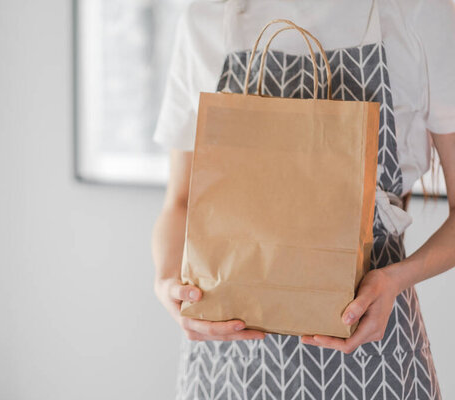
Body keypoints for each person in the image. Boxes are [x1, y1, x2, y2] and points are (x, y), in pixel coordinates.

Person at [151, 0, 455, 398]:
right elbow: (180, 201)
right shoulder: (207, 15)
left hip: (369, 354)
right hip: (231, 365)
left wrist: (395, 279)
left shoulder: (417, 11)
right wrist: (166, 283)